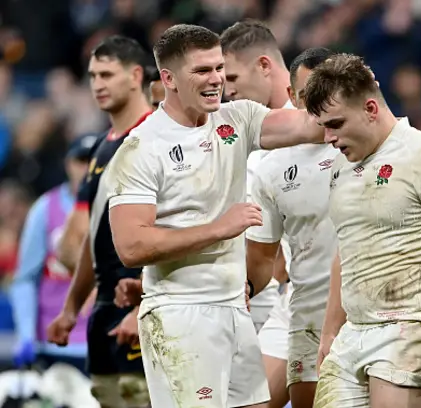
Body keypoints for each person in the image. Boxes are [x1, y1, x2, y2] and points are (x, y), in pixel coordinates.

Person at [103, 24, 325, 408]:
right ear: (169, 79)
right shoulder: (142, 148)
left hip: (235, 311)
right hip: (180, 316)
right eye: (202, 71)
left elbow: (311, 125)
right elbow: (131, 245)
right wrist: (219, 229)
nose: (216, 79)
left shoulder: (236, 119)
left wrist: (354, 91)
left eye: (219, 67)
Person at [303, 54, 421, 408]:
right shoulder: (342, 166)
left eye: (336, 124)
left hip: (410, 327)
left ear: (371, 108)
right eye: (323, 126)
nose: (328, 137)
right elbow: (348, 248)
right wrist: (330, 331)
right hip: (352, 334)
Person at [47, 35, 153, 408]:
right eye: (93, 76)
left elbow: (177, 226)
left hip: (146, 306)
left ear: (135, 75)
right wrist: (72, 309)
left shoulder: (158, 138)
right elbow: (93, 238)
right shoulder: (99, 150)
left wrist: (145, 307)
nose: (97, 84)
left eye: (107, 74)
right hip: (104, 309)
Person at [245, 46, 338, 408]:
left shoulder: (371, 149)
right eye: (309, 96)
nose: (321, 107)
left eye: (329, 92)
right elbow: (263, 259)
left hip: (364, 312)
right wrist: (240, 289)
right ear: (292, 98)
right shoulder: (271, 165)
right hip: (299, 306)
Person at [220, 19, 295, 408]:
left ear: (264, 65)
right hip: (258, 293)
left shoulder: (321, 128)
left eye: (231, 75)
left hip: (298, 292)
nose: (226, 88)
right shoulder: (242, 132)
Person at [9, 134, 97, 374]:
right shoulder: (46, 209)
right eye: (80, 161)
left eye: (93, 160)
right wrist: (26, 333)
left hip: (102, 342)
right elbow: (26, 278)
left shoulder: (117, 207)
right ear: (68, 164)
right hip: (54, 341)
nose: (86, 169)